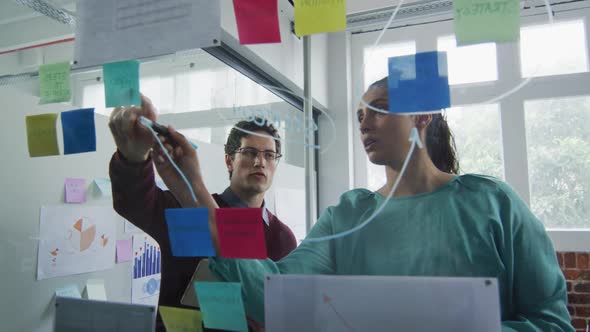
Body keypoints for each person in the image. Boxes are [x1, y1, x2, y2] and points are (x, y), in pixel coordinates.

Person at [153, 78, 574, 331]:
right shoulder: (349, 216)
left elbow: (552, 321)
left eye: (380, 110)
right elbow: (273, 293)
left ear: (422, 114)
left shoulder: (492, 204)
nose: (364, 122)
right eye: (359, 114)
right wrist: (192, 185)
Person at [108, 95, 297, 331]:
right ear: (229, 161)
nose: (260, 162)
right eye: (249, 152)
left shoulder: (282, 238)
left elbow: (284, 312)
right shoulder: (189, 209)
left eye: (269, 155)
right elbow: (135, 202)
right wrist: (133, 158)